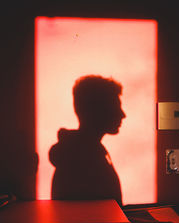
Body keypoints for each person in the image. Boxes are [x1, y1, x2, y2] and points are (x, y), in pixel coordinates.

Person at [49, 75, 126, 206]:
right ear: (97, 110)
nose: (122, 114)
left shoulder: (83, 152)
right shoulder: (84, 158)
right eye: (115, 106)